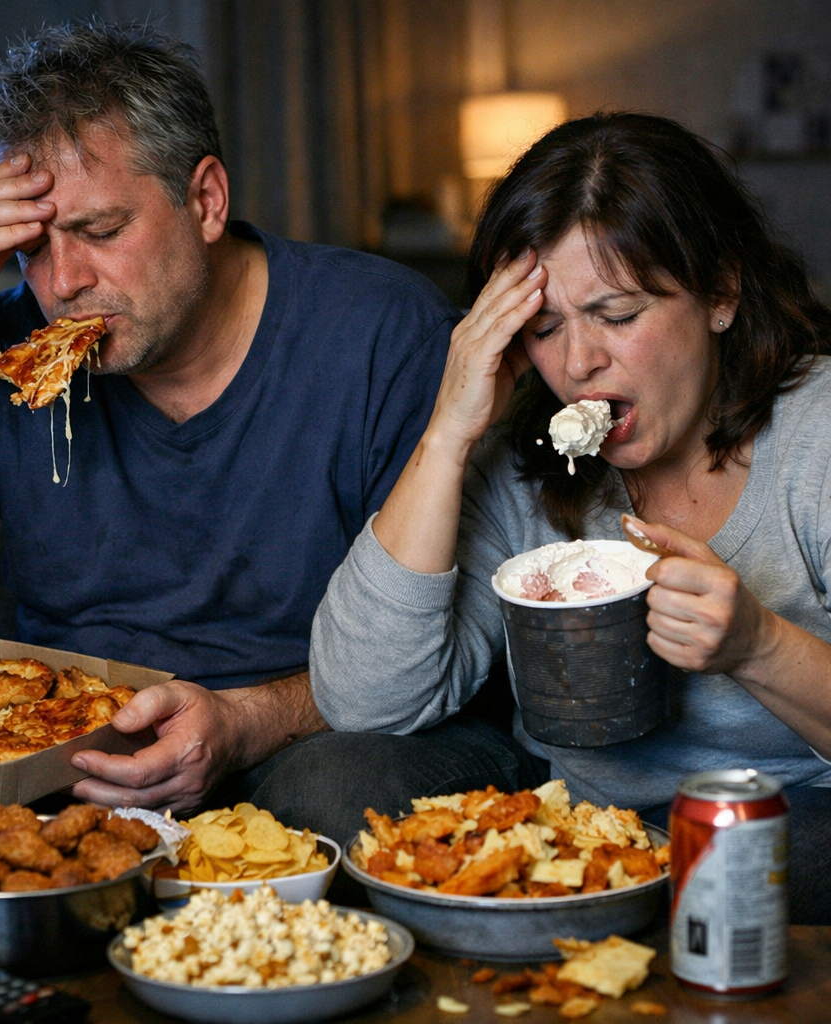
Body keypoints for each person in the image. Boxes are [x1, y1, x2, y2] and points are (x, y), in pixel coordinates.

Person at [0, 21, 540, 868]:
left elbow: (446, 653)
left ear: (206, 200)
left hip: (314, 734)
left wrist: (242, 723)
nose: (62, 283)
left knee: (336, 794)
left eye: (101, 229)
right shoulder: (10, 354)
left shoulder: (384, 334)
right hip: (71, 754)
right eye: (32, 247)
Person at [311, 112, 831, 923]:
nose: (579, 364)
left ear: (721, 293)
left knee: (764, 864)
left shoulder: (818, 435)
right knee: (330, 782)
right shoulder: (527, 461)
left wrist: (757, 645)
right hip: (574, 819)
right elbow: (363, 702)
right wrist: (450, 428)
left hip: (785, 815)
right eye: (545, 327)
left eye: (617, 315)